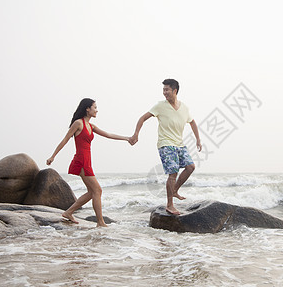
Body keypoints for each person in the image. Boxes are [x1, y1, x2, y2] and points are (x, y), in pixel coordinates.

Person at [47, 98, 130, 227]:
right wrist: (53, 156)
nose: (97, 110)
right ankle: (100, 222)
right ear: (87, 109)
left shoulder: (91, 126)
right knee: (97, 190)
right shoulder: (78, 123)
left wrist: (127, 138)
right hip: (81, 160)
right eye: (95, 107)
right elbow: (65, 139)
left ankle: (68, 212)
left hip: (87, 161)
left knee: (93, 192)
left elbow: (108, 134)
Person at [129, 79, 202, 215]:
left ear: (175, 91)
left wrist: (198, 139)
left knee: (190, 167)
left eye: (167, 90)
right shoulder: (160, 106)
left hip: (179, 144)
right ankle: (170, 205)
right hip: (165, 144)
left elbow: (192, 122)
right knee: (173, 172)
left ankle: (174, 191)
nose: (164, 93)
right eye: (163, 90)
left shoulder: (184, 108)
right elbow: (143, 118)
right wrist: (136, 134)